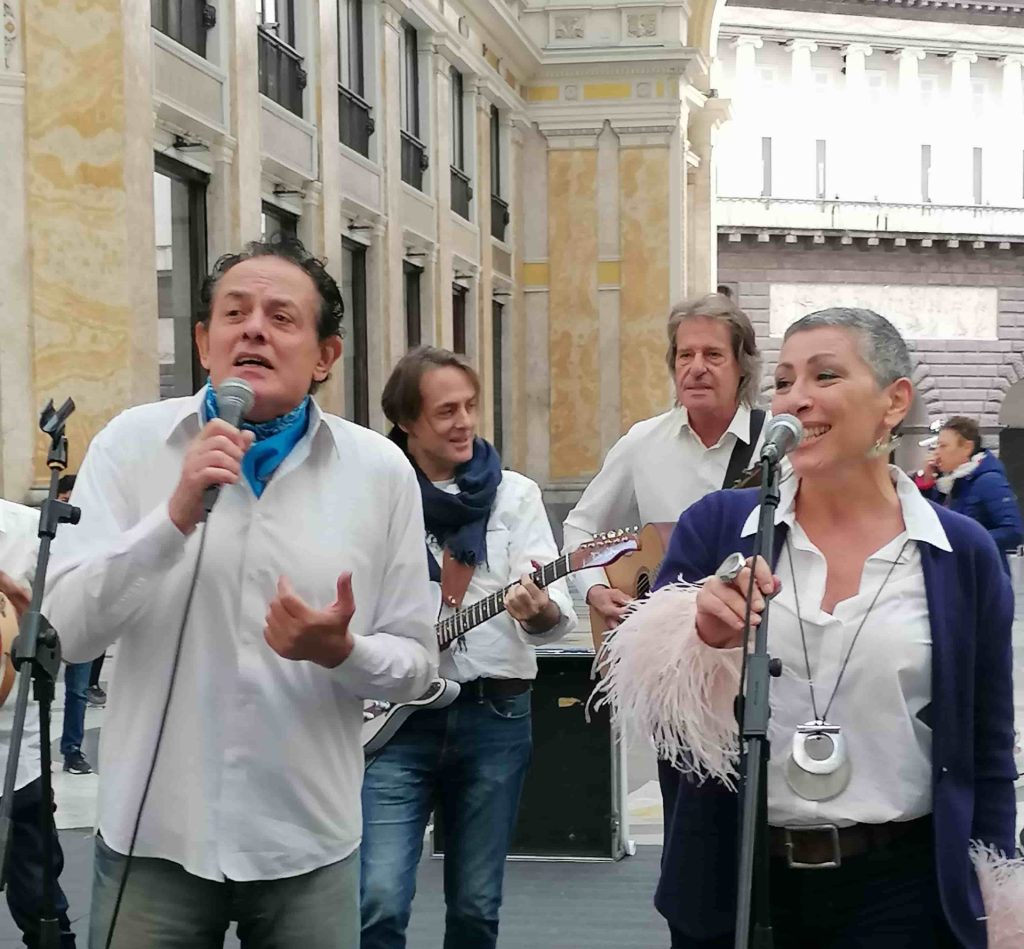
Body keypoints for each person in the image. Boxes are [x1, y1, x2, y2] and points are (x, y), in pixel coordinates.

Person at [44, 237, 439, 949]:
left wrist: (343, 650)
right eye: (234, 313)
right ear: (203, 341)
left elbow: (419, 663)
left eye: (282, 316)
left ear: (326, 356)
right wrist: (172, 519)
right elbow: (68, 631)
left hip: (307, 842)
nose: (253, 328)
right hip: (154, 834)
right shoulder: (130, 447)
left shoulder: (379, 471)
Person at [596, 308, 1017, 948]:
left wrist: (996, 899)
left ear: (892, 402)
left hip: (904, 886)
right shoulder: (718, 527)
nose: (798, 400)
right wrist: (697, 636)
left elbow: (987, 746)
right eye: (785, 381)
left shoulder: (961, 553)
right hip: (738, 879)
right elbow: (649, 712)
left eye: (825, 376)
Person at [360, 346, 577, 949]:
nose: (464, 423)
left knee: (477, 908)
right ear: (407, 421)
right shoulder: (377, 493)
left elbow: (552, 625)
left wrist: (540, 613)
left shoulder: (515, 496)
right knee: (376, 900)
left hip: (494, 714)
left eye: (471, 407)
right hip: (396, 723)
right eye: (445, 411)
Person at [562, 292, 768, 634]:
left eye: (713, 355)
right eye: (686, 354)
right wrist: (595, 590)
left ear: (742, 367)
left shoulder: (776, 443)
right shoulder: (641, 442)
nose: (696, 367)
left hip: (749, 636)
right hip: (661, 644)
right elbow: (580, 528)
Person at [0, 498, 77, 946]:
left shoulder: (32, 533)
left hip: (18, 759)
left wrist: (40, 621)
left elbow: (79, 639)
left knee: (41, 904)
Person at [913, 415, 1023, 572]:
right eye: (936, 446)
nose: (936, 453)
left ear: (967, 447)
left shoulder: (988, 481)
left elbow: (1013, 531)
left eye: (943, 446)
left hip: (983, 577)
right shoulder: (948, 483)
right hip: (955, 573)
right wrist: (926, 484)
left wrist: (966, 540)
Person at [54, 474, 92, 774]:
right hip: (47, 616)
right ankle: (38, 754)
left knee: (78, 690)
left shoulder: (90, 523)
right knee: (35, 692)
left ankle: (72, 751)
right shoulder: (41, 524)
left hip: (83, 613)